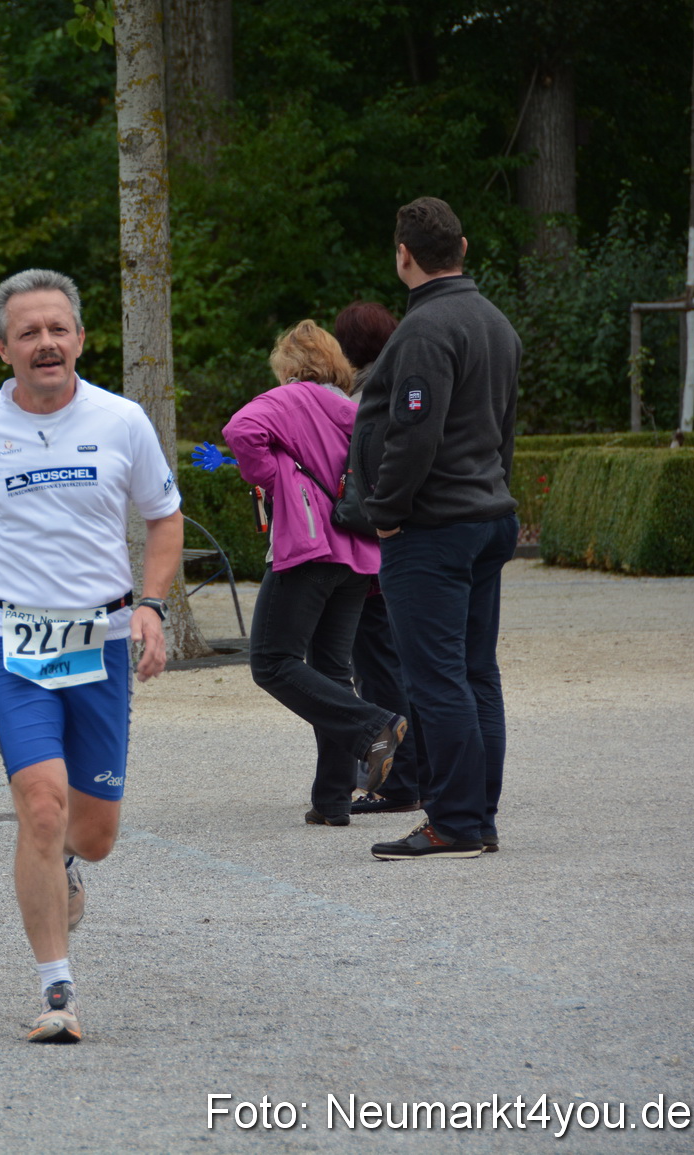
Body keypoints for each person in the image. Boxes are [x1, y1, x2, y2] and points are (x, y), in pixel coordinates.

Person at [0, 268, 184, 1043]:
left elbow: (164, 517)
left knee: (92, 833)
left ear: (81, 338)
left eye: (58, 328)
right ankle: (56, 989)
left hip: (101, 638)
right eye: (28, 332)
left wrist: (152, 605)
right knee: (41, 803)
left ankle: (65, 864)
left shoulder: (122, 420)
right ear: (4, 349)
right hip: (13, 638)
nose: (46, 343)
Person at [355, 197, 521, 861]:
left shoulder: (426, 329)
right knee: (476, 674)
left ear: (404, 255)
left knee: (437, 678)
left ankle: (453, 823)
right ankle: (477, 818)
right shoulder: (496, 322)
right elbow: (504, 431)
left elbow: (413, 434)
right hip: (485, 515)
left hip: (434, 527)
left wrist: (387, 512)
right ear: (464, 247)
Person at [222, 320, 406, 828]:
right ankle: (332, 799)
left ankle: (374, 724)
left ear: (291, 366)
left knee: (271, 662)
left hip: (309, 548)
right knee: (330, 672)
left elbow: (240, 431)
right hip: (357, 556)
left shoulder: (291, 398)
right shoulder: (353, 408)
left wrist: (272, 476)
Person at [333, 301, 422, 817]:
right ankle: (417, 774)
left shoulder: (363, 397)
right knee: (402, 663)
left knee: (379, 666)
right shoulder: (398, 384)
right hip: (406, 544)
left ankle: (398, 781)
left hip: (373, 551)